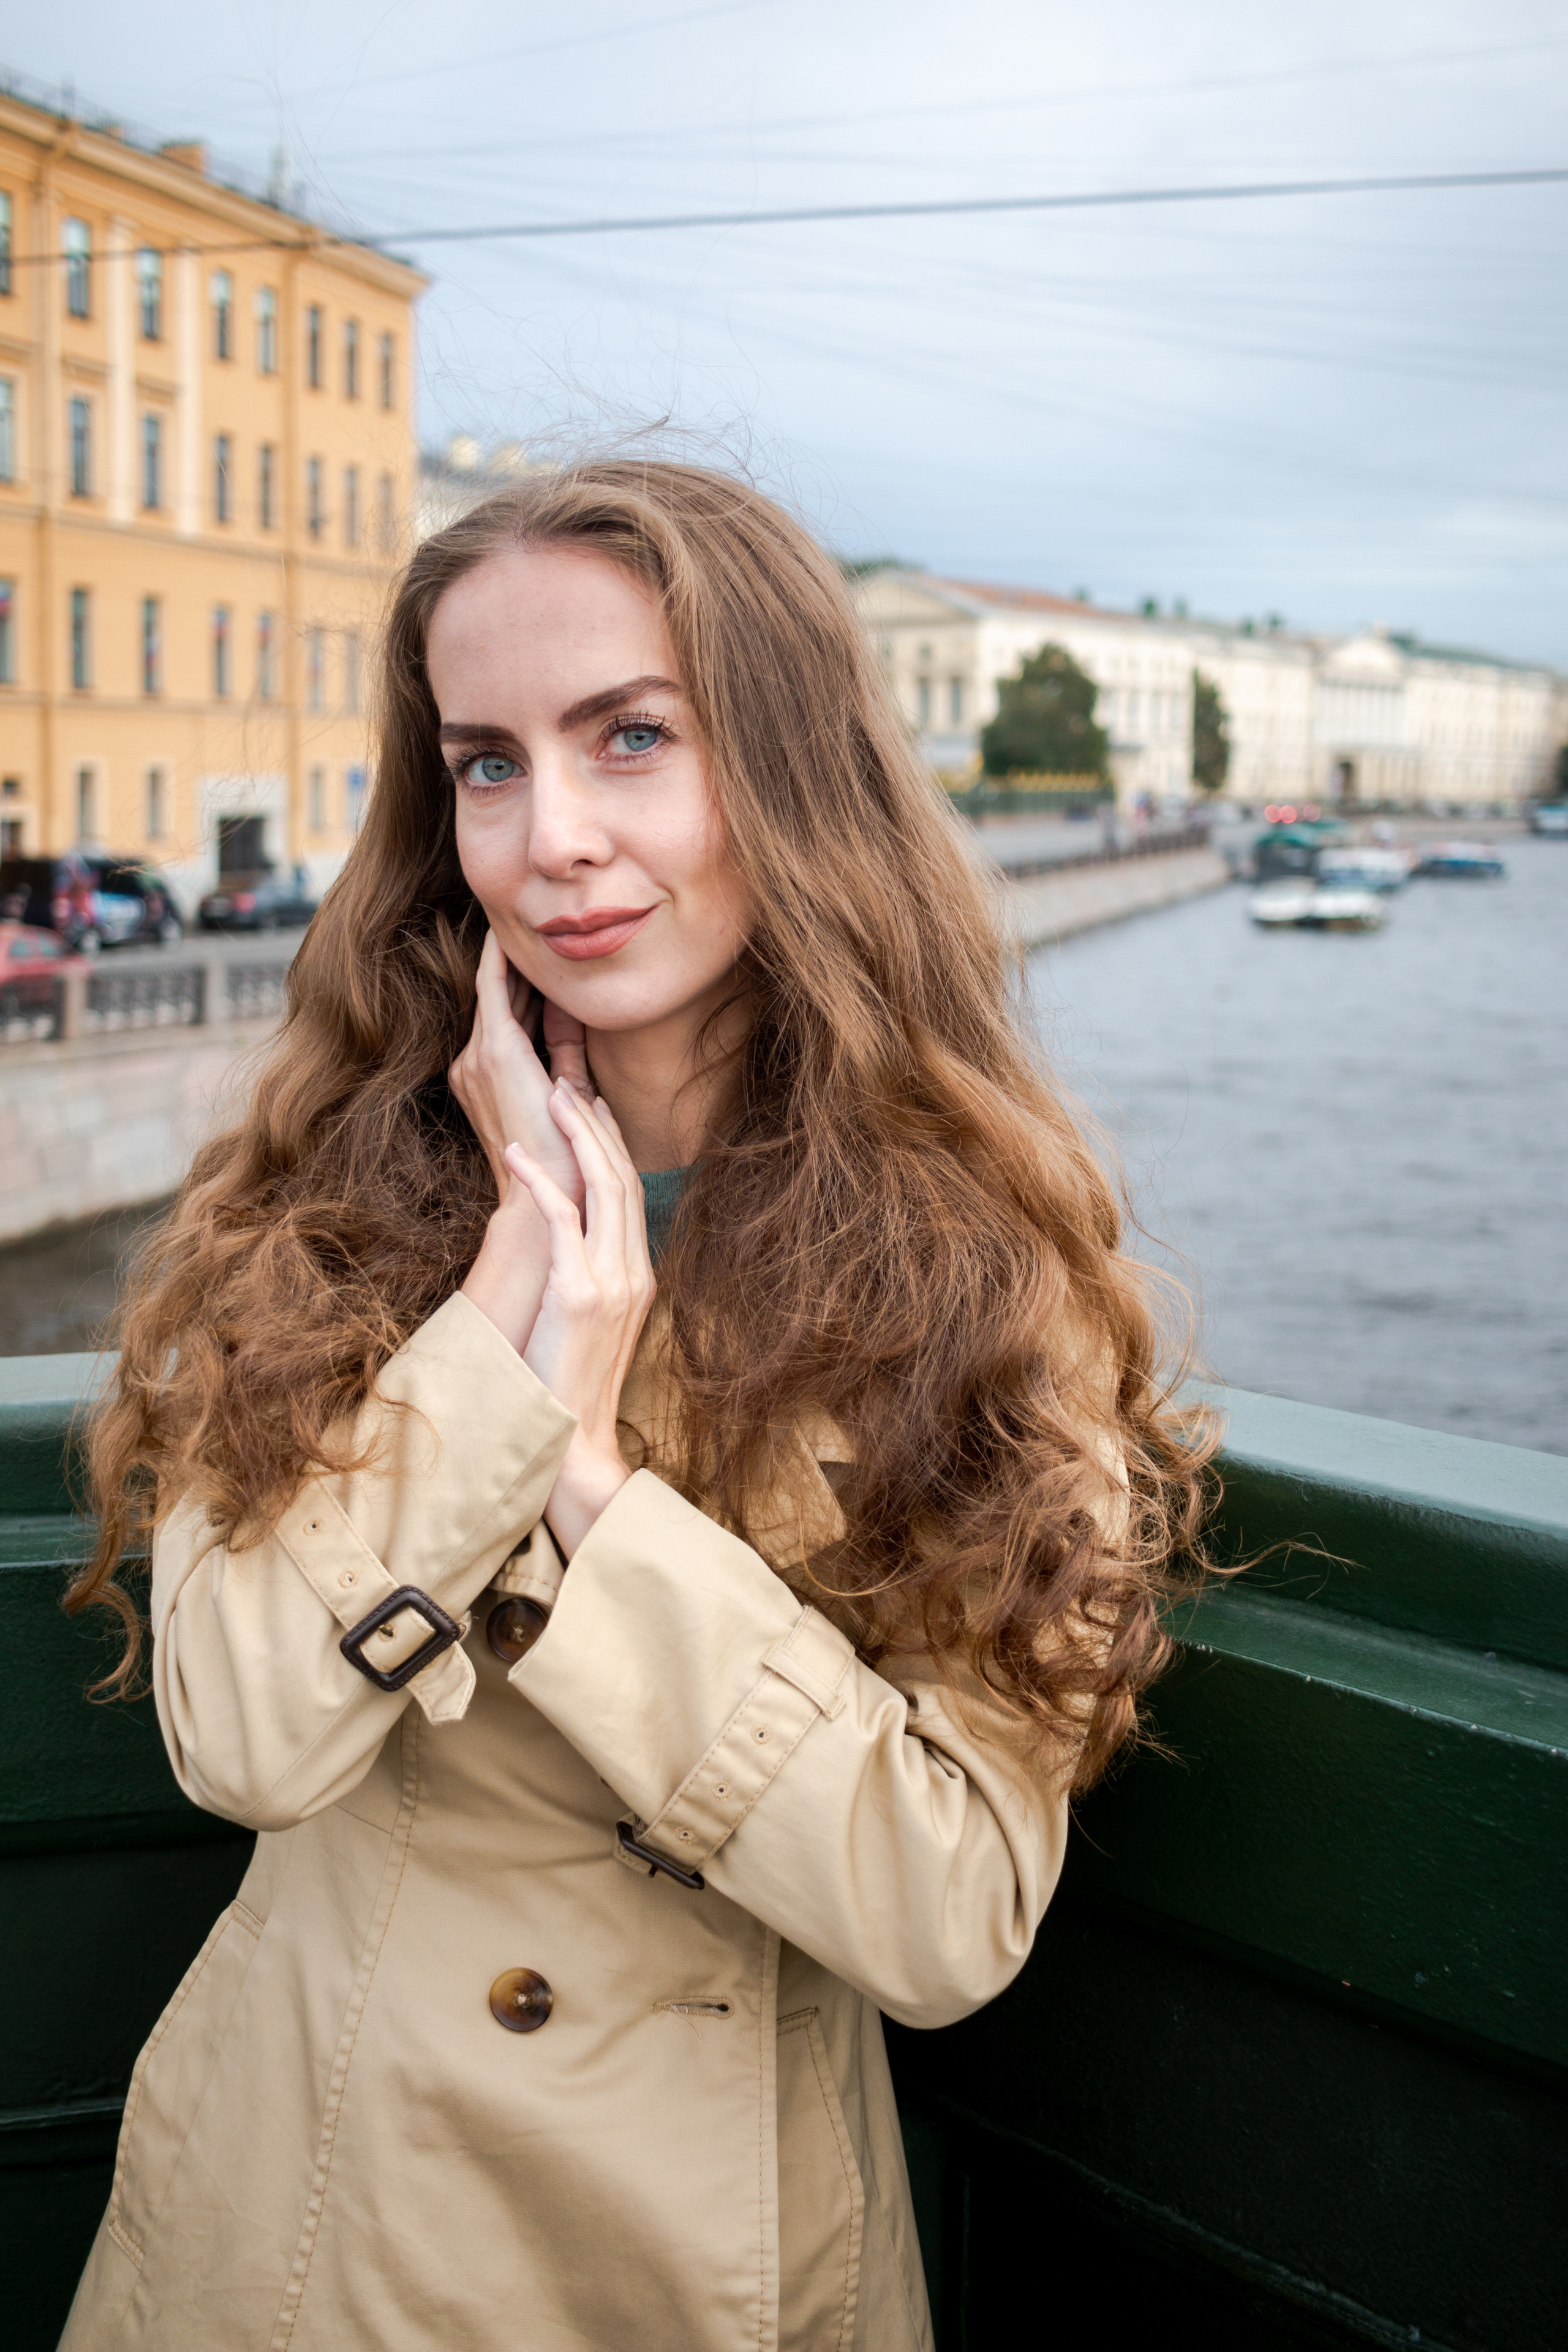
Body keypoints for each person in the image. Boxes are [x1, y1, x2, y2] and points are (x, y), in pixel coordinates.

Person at [61, 461, 1212, 2352]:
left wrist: (590, 1486)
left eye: (633, 739)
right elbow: (243, 1740)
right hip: (309, 2233)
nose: (553, 840)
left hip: (708, 2264)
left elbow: (949, 1916)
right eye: (487, 764)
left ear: (792, 772)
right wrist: (511, 1289)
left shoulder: (978, 1276)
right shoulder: (314, 1213)